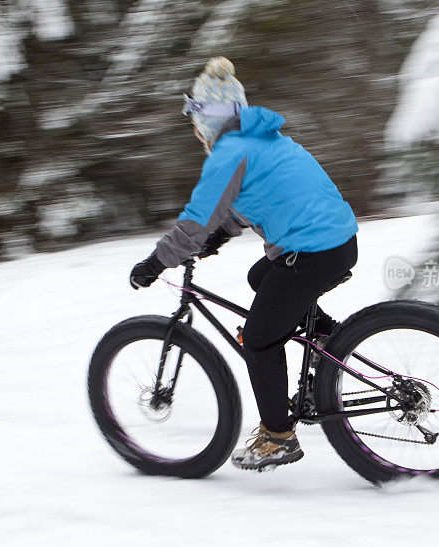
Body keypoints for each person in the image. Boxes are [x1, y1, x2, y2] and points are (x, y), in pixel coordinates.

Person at [130, 57, 358, 471]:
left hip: (311, 253)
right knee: (261, 276)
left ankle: (277, 437)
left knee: (258, 340)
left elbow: (195, 220)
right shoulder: (264, 140)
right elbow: (251, 200)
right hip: (337, 243)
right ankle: (325, 338)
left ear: (207, 120)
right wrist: (222, 234)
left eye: (194, 119)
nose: (194, 130)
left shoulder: (228, 152)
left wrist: (156, 262)